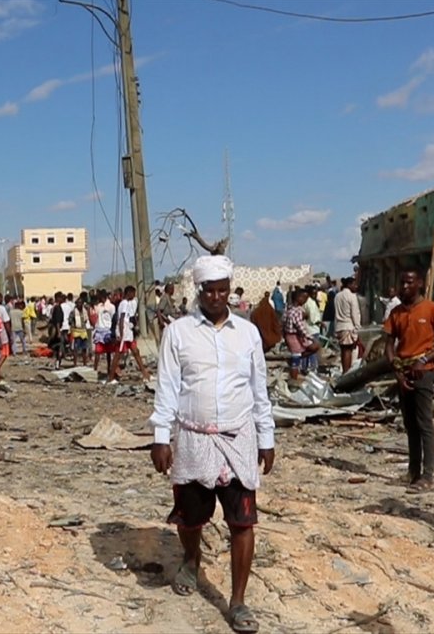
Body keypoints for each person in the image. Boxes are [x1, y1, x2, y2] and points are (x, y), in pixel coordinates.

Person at [149, 255, 274, 634]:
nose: (217, 297)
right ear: (199, 291)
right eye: (210, 291)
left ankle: (236, 601)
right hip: (193, 438)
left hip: (239, 438)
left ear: (230, 291)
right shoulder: (179, 333)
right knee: (190, 517)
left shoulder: (247, 333)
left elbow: (259, 389)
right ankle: (191, 557)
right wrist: (160, 437)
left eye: (223, 290)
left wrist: (266, 438)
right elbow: (167, 387)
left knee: (243, 521)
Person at [384, 269, 434, 494]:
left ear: (420, 284)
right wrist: (396, 369)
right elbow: (388, 345)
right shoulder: (396, 313)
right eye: (403, 282)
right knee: (410, 425)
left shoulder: (432, 309)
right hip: (403, 372)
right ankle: (413, 472)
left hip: (423, 372)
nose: (405, 286)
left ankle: (427, 476)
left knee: (424, 423)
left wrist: (425, 358)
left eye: (410, 282)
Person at [109, 285, 152, 384]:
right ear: (129, 293)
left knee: (136, 352)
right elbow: (121, 319)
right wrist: (121, 333)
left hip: (129, 332)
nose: (134, 295)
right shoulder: (123, 303)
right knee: (118, 355)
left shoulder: (128, 303)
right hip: (124, 332)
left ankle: (145, 374)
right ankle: (111, 377)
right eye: (133, 293)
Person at [283, 289, 319, 380]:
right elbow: (300, 327)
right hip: (294, 336)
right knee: (296, 357)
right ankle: (294, 379)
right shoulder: (296, 311)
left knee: (301, 353)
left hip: (291, 335)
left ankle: (295, 365)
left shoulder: (289, 309)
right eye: (304, 298)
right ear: (299, 298)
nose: (305, 300)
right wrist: (311, 338)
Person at [334, 277, 362, 372]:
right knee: (348, 351)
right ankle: (346, 372)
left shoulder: (337, 296)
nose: (356, 286)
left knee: (343, 351)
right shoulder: (351, 296)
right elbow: (355, 314)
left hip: (339, 326)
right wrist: (358, 328)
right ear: (349, 285)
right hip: (348, 326)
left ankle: (344, 371)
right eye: (354, 284)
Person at [92, 290, 116, 376]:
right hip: (99, 330)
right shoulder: (99, 306)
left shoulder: (111, 307)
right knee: (97, 351)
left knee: (109, 352)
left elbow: (113, 318)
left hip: (108, 330)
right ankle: (94, 370)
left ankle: (109, 369)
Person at [70, 296, 92, 367]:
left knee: (84, 348)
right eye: (78, 303)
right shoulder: (73, 311)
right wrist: (73, 327)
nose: (80, 304)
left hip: (83, 331)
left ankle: (84, 363)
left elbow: (86, 320)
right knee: (76, 348)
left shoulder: (84, 311)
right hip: (76, 331)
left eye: (81, 303)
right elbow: (70, 320)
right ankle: (75, 364)